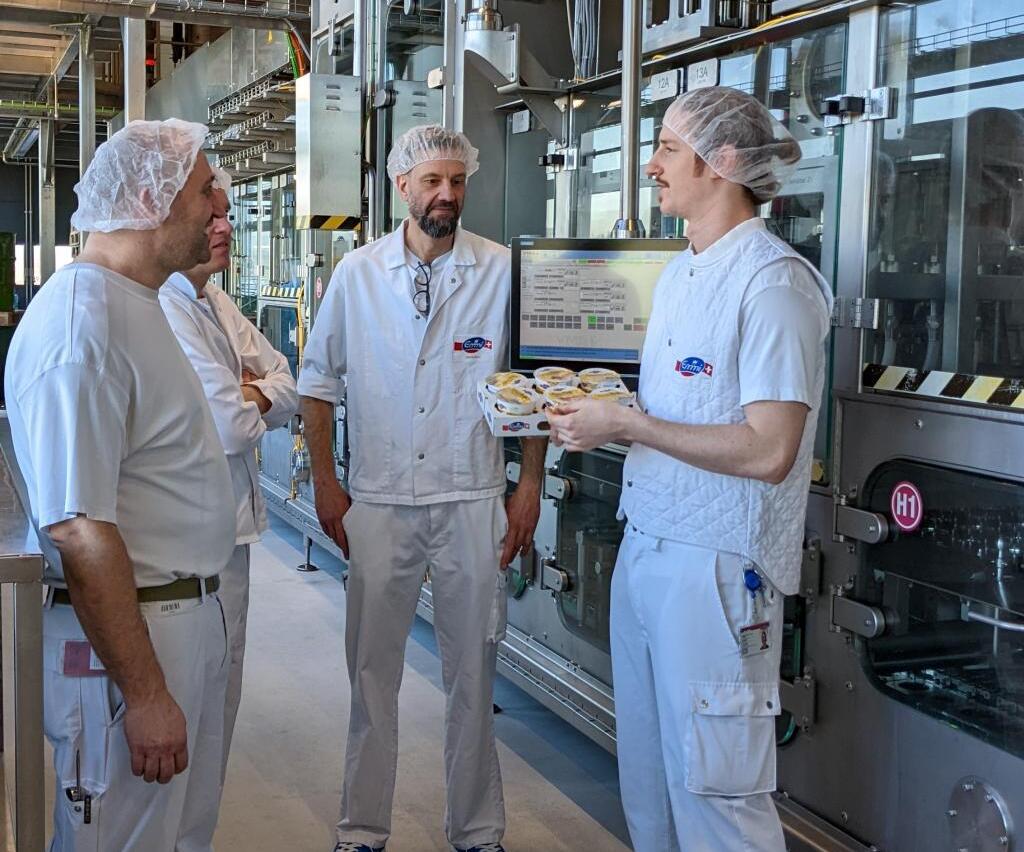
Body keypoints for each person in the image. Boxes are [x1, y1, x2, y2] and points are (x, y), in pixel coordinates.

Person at [547, 87, 833, 852]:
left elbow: (771, 450)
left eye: (668, 149)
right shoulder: (681, 273)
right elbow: (681, 402)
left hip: (717, 570)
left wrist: (629, 422)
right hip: (647, 546)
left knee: (717, 796)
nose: (650, 167)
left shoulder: (774, 284)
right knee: (649, 783)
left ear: (724, 162)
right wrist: (602, 405)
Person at [298, 125, 546, 852]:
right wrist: (325, 483)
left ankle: (477, 831)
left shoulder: (502, 270)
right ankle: (362, 830)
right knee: (372, 676)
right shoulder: (356, 273)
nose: (447, 195)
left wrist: (526, 483)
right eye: (432, 182)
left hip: (472, 495)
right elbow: (317, 385)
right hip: (377, 497)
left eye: (457, 182)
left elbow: (530, 388)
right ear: (402, 186)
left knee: (475, 674)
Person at [4, 120, 237, 851]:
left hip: (175, 616)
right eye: (205, 189)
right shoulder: (83, 326)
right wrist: (144, 692)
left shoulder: (134, 302)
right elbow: (78, 527)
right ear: (148, 197)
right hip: (131, 645)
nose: (219, 205)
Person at [159, 165, 298, 784]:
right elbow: (231, 429)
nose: (223, 228)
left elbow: (288, 381)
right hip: (190, 539)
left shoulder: (213, 300)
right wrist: (252, 395)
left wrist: (252, 392)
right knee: (196, 701)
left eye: (226, 217)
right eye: (210, 215)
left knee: (222, 694)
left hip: (232, 532)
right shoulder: (168, 304)